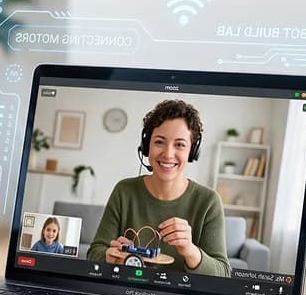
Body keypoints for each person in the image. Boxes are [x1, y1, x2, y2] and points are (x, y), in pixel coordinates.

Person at [86, 99, 229, 276]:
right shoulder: (124, 191)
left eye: (180, 144)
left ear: (192, 151)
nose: (168, 154)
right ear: (147, 147)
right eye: (159, 142)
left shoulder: (208, 201)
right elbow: (94, 253)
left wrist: (190, 250)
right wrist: (109, 257)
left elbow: (223, 274)